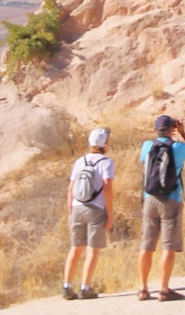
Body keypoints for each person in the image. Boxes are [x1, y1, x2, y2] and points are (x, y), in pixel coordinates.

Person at [138, 115, 185, 301]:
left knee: (147, 246)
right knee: (168, 246)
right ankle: (164, 290)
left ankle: (143, 288)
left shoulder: (147, 146)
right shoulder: (178, 148)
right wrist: (184, 133)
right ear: (172, 129)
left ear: (156, 128)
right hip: (171, 199)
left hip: (149, 198)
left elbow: (144, 163)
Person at [62, 127, 115, 300]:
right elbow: (107, 188)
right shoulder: (106, 162)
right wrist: (110, 212)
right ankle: (85, 287)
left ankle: (67, 286)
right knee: (93, 250)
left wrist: (70, 212)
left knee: (76, 248)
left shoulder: (79, 161)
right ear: (105, 144)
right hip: (96, 209)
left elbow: (70, 189)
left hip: (78, 207)